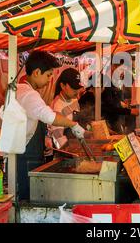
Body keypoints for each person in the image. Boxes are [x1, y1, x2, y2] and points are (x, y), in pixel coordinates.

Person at [15, 51, 87, 199]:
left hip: (29, 153)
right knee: (27, 199)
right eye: (48, 75)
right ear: (36, 72)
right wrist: (73, 125)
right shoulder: (29, 94)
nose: (49, 80)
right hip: (25, 156)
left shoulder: (23, 90)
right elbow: (49, 116)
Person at [45, 67, 83, 161]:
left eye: (78, 88)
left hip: (77, 147)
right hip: (65, 156)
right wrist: (74, 153)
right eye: (74, 88)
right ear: (63, 86)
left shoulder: (74, 100)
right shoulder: (57, 106)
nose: (77, 92)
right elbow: (58, 137)